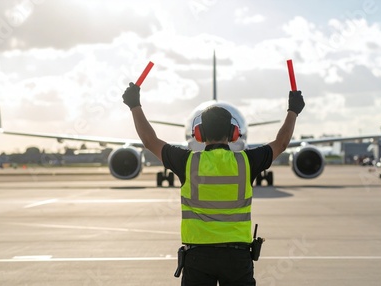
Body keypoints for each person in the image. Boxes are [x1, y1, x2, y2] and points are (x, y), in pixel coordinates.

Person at [122, 82, 305, 285]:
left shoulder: (187, 162)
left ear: (198, 133)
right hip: (237, 258)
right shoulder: (246, 161)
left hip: (198, 258)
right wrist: (293, 111)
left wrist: (134, 105)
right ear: (234, 133)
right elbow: (281, 143)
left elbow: (149, 140)